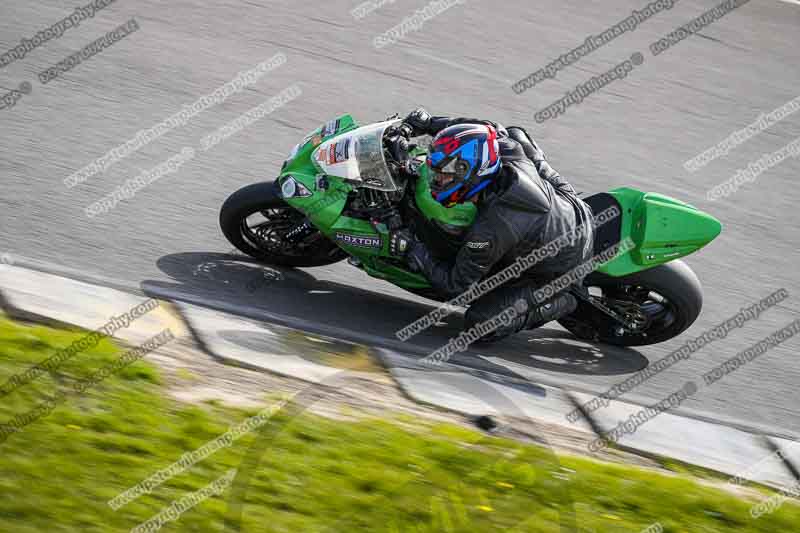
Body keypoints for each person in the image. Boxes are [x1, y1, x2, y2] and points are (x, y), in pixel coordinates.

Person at [389, 108, 596, 341]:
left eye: (445, 175)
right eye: (437, 172)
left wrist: (410, 248)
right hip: (566, 202)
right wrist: (428, 124)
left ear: (472, 173)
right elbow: (482, 129)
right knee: (515, 134)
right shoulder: (502, 148)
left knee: (480, 326)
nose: (436, 180)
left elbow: (454, 285)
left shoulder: (491, 230)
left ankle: (569, 299)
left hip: (565, 265)